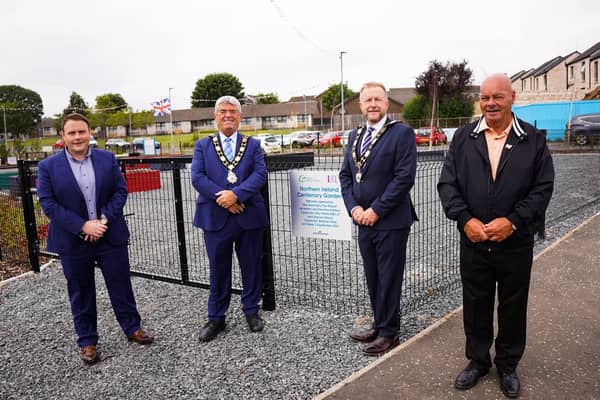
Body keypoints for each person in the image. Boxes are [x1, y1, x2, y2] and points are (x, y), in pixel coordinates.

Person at [438, 73, 554, 398]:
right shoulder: (463, 138)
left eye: (497, 97)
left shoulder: (532, 140)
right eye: (485, 97)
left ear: (512, 97)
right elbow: (448, 185)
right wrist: (465, 220)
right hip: (474, 242)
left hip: (515, 243)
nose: (490, 103)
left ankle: (507, 365)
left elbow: (542, 188)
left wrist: (514, 221)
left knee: (513, 305)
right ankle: (477, 361)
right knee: (475, 303)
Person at [37, 113, 154, 365]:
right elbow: (48, 204)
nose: (78, 137)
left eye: (82, 131)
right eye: (72, 133)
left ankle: (132, 328)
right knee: (81, 291)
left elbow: (120, 192)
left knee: (120, 284)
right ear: (63, 137)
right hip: (73, 240)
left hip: (108, 235)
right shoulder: (48, 167)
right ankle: (87, 341)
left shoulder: (107, 159)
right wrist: (82, 226)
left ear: (90, 133)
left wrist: (103, 221)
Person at [339, 82, 418, 356]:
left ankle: (389, 332)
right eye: (367, 100)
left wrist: (376, 210)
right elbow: (346, 176)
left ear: (387, 103)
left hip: (391, 221)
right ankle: (378, 322)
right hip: (363, 221)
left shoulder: (402, 134)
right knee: (373, 276)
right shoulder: (355, 135)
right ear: (360, 105)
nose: (372, 104)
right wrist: (354, 209)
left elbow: (404, 178)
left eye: (377, 99)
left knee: (389, 277)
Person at [191, 95, 268, 342]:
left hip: (247, 215)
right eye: (223, 111)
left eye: (232, 111)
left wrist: (235, 195)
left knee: (251, 266)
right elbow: (198, 177)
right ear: (215, 116)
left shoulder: (253, 144)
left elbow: (259, 174)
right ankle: (216, 317)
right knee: (218, 268)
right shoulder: (203, 145)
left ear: (240, 116)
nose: (227, 115)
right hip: (215, 216)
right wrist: (222, 198)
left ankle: (251, 310)